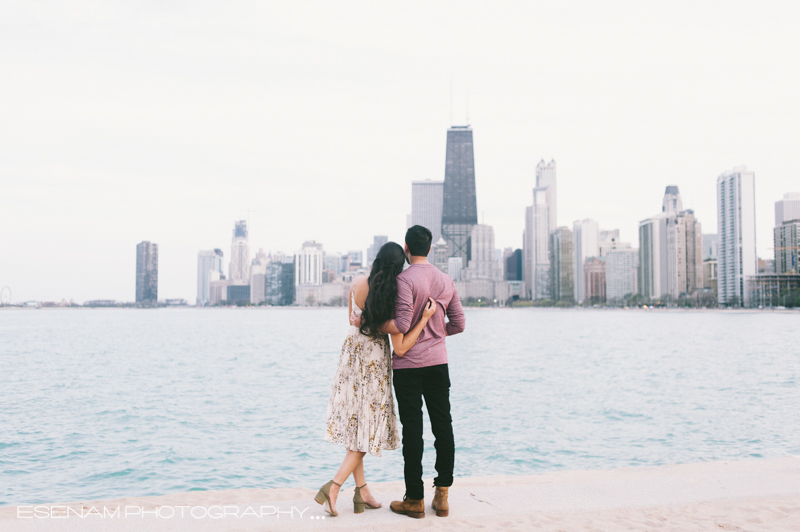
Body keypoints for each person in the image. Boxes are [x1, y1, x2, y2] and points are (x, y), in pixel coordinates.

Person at [315, 242, 438, 517]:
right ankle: (333, 487)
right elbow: (400, 327)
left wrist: (367, 320)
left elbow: (351, 318)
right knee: (369, 430)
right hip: (373, 360)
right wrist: (422, 316)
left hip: (350, 354)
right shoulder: (390, 294)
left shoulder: (357, 281)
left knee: (357, 424)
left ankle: (363, 492)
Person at [388, 225, 465, 519]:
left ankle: (415, 499)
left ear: (407, 249)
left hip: (408, 367)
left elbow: (403, 323)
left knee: (413, 432)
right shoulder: (446, 280)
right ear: (430, 249)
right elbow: (459, 324)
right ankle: (442, 495)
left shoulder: (403, 279)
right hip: (438, 363)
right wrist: (437, 333)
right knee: (443, 425)